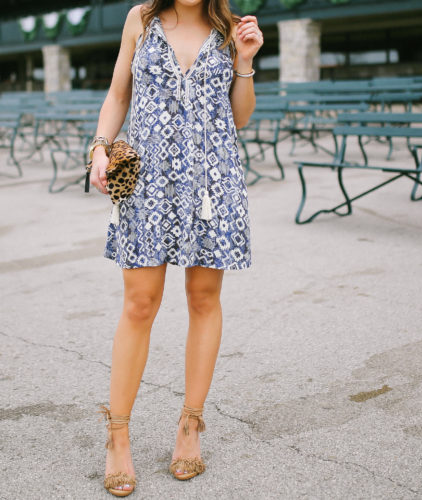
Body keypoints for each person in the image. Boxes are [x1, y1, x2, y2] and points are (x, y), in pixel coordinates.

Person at [88, 0, 263, 496]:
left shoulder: (230, 27)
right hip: (149, 181)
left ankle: (191, 425)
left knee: (204, 299)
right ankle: (117, 434)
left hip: (214, 182)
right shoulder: (139, 19)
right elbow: (118, 93)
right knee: (139, 303)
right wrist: (101, 145)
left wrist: (245, 61)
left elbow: (239, 119)